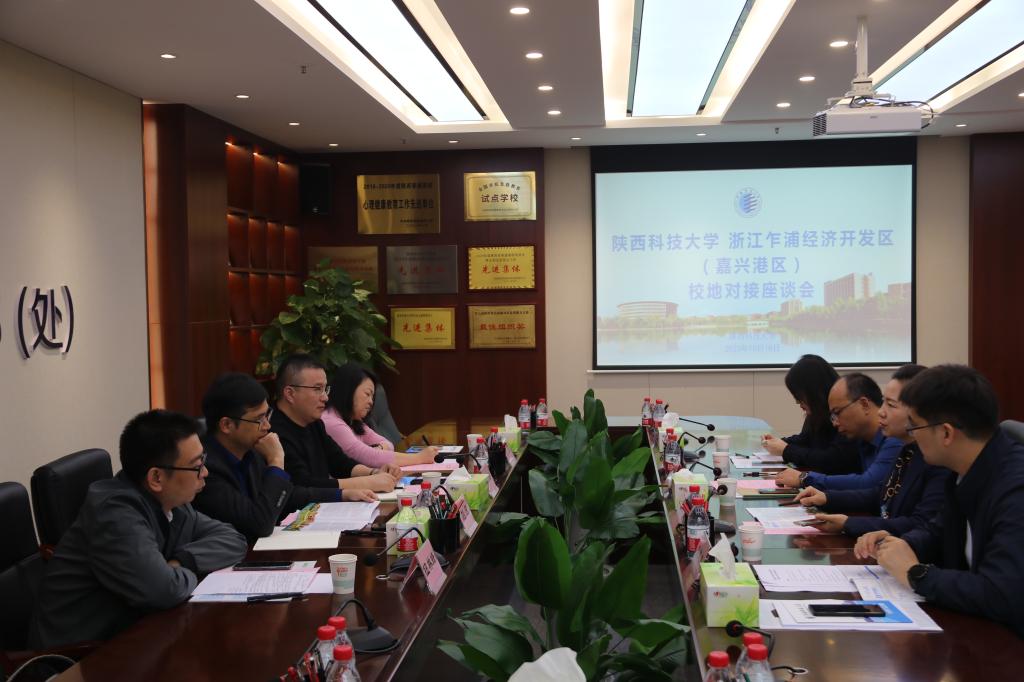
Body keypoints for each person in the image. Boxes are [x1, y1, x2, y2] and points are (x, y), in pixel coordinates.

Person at [29, 410, 247, 648]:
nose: (205, 472)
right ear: (156, 478)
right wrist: (180, 573)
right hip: (79, 655)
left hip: (138, 632)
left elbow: (233, 539)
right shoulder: (115, 515)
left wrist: (181, 562)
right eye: (197, 466)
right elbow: (163, 590)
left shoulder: (174, 502)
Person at [854, 365, 1024, 637]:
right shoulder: (965, 467)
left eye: (915, 426)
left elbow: (1001, 593)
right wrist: (903, 544)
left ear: (946, 433)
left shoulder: (1014, 489)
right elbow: (939, 529)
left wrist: (915, 573)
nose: (912, 434)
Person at [193, 373, 376, 542]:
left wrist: (341, 495)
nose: (267, 426)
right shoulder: (205, 470)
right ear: (227, 425)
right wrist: (276, 462)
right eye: (259, 419)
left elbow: (286, 496)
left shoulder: (250, 451)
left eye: (267, 415)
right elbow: (259, 524)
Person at [794, 364, 950, 536]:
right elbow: (880, 494)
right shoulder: (908, 449)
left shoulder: (937, 459)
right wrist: (827, 498)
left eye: (891, 405)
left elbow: (920, 524)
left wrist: (849, 523)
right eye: (884, 403)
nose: (881, 412)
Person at [271, 354, 402, 492]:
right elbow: (302, 485)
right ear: (290, 394)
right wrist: (367, 482)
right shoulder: (273, 431)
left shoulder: (314, 423)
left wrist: (374, 473)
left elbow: (340, 463)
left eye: (325, 389)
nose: (325, 398)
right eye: (317, 389)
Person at [774, 373, 902, 491]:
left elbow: (868, 484)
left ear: (864, 404)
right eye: (832, 416)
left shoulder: (894, 439)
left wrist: (805, 478)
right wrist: (825, 498)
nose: (835, 423)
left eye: (837, 412)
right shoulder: (861, 438)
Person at [760, 354, 861, 474]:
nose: (797, 402)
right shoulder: (818, 413)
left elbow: (832, 460)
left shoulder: (845, 415)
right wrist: (779, 443)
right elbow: (805, 439)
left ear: (814, 392)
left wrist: (786, 450)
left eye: (799, 396)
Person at [322, 363, 437, 468]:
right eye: (367, 394)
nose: (371, 402)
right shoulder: (332, 422)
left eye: (372, 397)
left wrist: (378, 449)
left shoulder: (353, 421)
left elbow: (388, 444)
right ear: (348, 390)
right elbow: (367, 457)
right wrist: (419, 458)